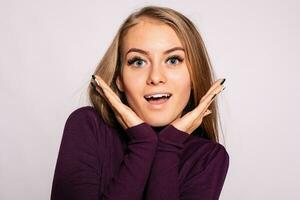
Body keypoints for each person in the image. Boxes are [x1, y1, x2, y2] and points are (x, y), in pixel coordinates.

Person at [50, 5, 229, 200]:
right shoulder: (88, 126)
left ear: (194, 74)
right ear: (119, 78)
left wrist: (168, 146)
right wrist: (143, 144)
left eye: (173, 60)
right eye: (138, 62)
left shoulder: (208, 158)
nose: (155, 77)